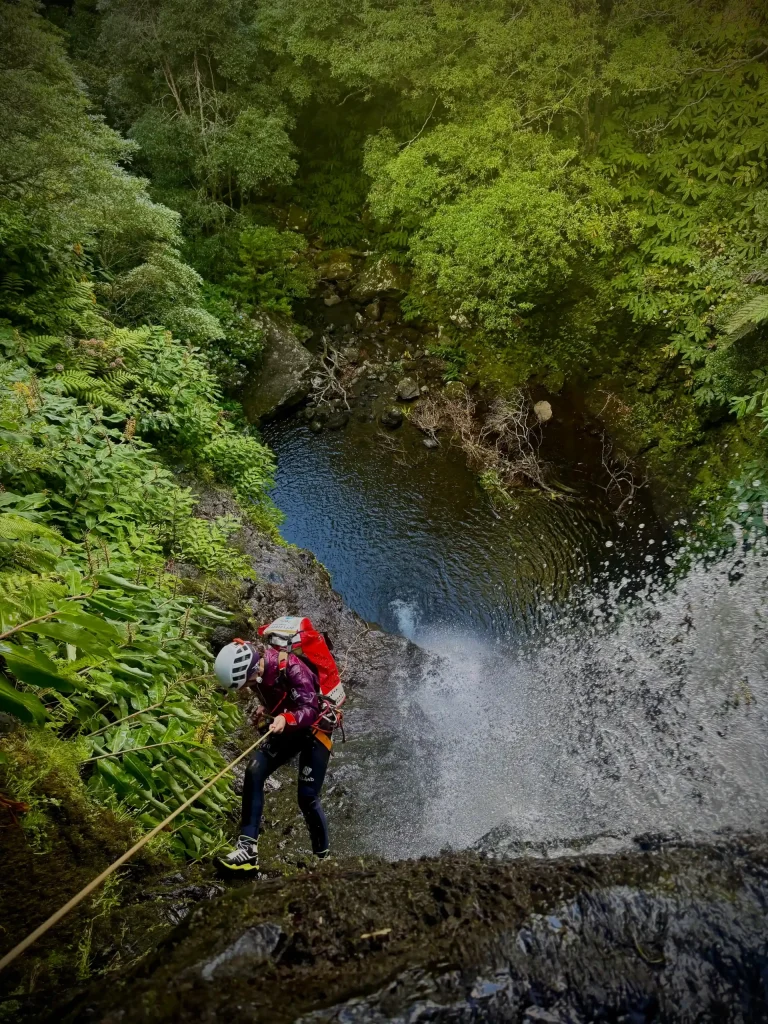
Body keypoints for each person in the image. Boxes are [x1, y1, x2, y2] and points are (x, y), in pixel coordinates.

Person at [213, 639, 332, 872]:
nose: (245, 689)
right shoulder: (257, 674)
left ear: (249, 672)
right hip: (288, 726)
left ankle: (324, 859)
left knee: (307, 796)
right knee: (254, 771)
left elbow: (310, 708)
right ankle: (247, 850)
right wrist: (267, 711)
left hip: (315, 729)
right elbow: (277, 696)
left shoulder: (292, 668)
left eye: (243, 684)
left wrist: (285, 718)